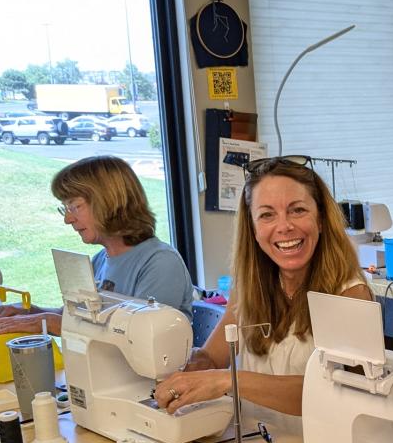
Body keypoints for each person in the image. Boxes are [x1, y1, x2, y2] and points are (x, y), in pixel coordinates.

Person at [152, 158, 371, 418]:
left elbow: (346, 394)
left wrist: (226, 380)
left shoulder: (350, 294)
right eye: (267, 215)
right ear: (253, 229)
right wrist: (185, 368)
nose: (284, 226)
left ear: (321, 219)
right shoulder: (249, 287)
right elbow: (212, 357)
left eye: (297, 210)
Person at [0, 155, 193, 335]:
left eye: (74, 206)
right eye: (65, 208)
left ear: (109, 202)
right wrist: (32, 313)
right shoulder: (101, 260)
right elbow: (84, 318)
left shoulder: (160, 263)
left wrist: (47, 322)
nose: (67, 219)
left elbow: (142, 336)